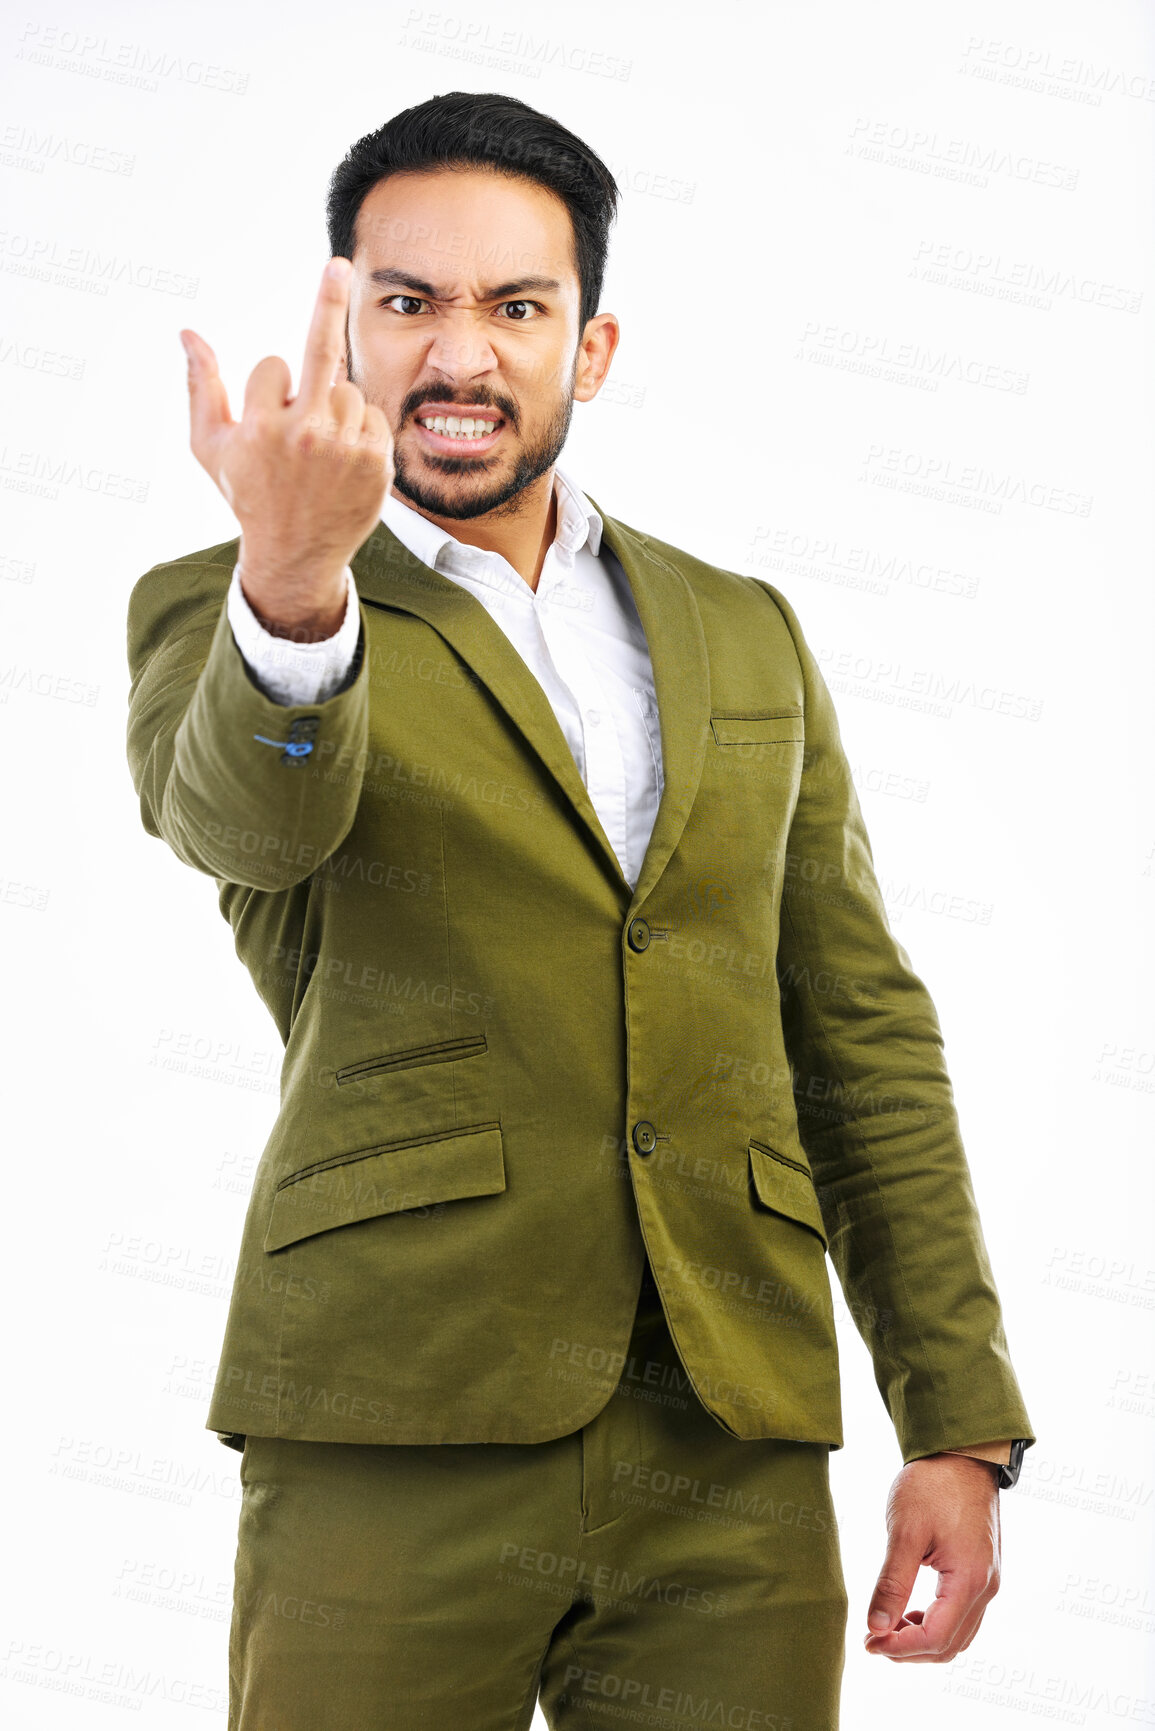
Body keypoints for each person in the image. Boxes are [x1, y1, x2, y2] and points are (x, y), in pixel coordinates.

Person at [125, 90, 1036, 1731]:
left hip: (732, 1431)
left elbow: (859, 1032)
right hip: (393, 1419)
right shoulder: (239, 602)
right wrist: (293, 579)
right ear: (345, 323)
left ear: (590, 349)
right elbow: (242, 831)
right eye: (407, 303)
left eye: (513, 308)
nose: (457, 356)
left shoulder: (743, 631)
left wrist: (956, 1423)